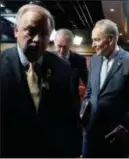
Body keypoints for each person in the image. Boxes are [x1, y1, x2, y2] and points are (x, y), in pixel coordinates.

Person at [0, 4, 82, 157]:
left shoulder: (63, 68)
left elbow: (71, 118)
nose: (37, 39)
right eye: (31, 31)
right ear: (16, 31)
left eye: (44, 34)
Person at [82, 19, 129, 157]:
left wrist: (124, 126)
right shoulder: (94, 60)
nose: (93, 45)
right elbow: (90, 91)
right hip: (91, 131)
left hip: (116, 134)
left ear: (110, 39)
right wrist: (84, 116)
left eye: (96, 40)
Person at [54, 28, 88, 106]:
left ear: (71, 45)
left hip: (73, 103)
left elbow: (87, 81)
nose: (61, 51)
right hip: (52, 104)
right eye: (59, 46)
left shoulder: (80, 60)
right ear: (55, 42)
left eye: (65, 47)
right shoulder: (47, 58)